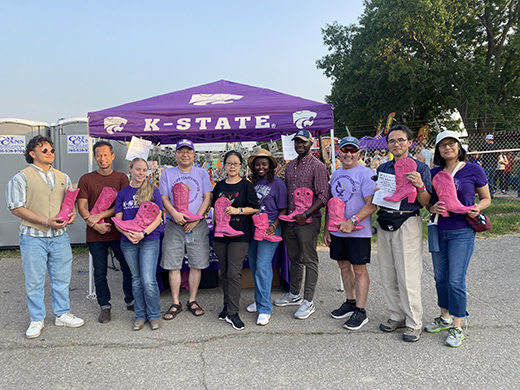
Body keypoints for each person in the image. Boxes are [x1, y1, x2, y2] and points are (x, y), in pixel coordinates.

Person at [6, 135, 84, 338]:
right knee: (34, 280)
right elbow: (16, 207)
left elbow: (69, 203)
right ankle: (36, 318)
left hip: (59, 236)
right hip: (33, 236)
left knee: (62, 277)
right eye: (45, 150)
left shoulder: (63, 177)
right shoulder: (21, 177)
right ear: (32, 154)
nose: (50, 153)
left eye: (52, 150)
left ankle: (62, 313)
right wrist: (45, 221)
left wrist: (72, 215)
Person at [425, 131, 491, 347]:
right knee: (440, 278)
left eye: (451, 143)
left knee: (455, 279)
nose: (447, 147)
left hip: (462, 230)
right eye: (442, 145)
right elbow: (428, 201)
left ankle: (458, 325)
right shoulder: (434, 172)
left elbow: (486, 198)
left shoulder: (473, 169)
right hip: (438, 228)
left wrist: (476, 208)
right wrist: (431, 206)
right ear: (438, 150)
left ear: (459, 146)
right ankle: (444, 317)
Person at [376, 124, 432, 342]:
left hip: (408, 220)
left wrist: (419, 185)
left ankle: (413, 321)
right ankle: (396, 315)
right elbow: (378, 197)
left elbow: (426, 202)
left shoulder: (421, 168)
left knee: (408, 273)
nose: (396, 144)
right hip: (385, 219)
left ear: (410, 142)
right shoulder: (383, 168)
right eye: (392, 141)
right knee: (388, 272)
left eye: (401, 140)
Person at [274, 129, 330, 319]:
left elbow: (323, 196)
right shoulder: (290, 167)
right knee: (294, 257)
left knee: (309, 259)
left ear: (311, 143)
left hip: (308, 220)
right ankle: (295, 294)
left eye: (303, 142)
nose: (300, 144)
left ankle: (308, 301)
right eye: (297, 141)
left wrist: (306, 213)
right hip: (291, 220)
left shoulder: (317, 166)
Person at [324, 137, 377, 331]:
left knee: (359, 270)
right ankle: (350, 301)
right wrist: (327, 230)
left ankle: (361, 311)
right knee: (343, 266)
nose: (348, 153)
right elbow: (332, 202)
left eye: (352, 150)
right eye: (344, 149)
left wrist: (352, 221)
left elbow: (372, 204)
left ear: (359, 154)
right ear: (339, 152)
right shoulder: (336, 174)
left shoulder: (366, 173)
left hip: (358, 231)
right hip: (338, 230)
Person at [77, 141, 134, 323]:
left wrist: (99, 215)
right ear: (95, 158)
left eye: (105, 155)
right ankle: (105, 306)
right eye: (99, 155)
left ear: (112, 156)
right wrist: (95, 224)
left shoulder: (121, 178)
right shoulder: (86, 179)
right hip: (95, 234)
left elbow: (122, 204)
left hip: (119, 231)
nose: (102, 158)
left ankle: (130, 299)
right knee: (100, 272)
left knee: (127, 268)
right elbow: (82, 206)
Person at [159, 139, 212, 320]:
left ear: (193, 154)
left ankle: (192, 300)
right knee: (173, 264)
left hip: (197, 224)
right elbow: (165, 198)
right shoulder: (167, 173)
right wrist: (174, 214)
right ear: (175, 154)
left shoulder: (202, 172)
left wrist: (196, 218)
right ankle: (175, 302)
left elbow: (207, 197)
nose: (185, 154)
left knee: (196, 264)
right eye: (181, 151)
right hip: (175, 224)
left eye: (188, 151)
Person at [114, 158, 164, 331]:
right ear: (130, 169)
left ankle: (154, 315)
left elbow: (158, 217)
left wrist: (143, 233)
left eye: (144, 170)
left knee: (148, 280)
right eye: (138, 169)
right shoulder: (122, 194)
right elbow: (117, 220)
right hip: (128, 241)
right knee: (136, 280)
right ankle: (140, 316)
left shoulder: (153, 191)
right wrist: (126, 232)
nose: (141, 173)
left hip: (149, 239)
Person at [212, 151, 260, 330]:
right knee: (224, 272)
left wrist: (237, 211)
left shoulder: (246, 186)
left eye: (235, 163)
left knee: (234, 272)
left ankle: (233, 312)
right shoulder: (218, 186)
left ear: (241, 166)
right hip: (220, 236)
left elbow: (254, 208)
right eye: (229, 163)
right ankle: (227, 304)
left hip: (240, 235)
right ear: (224, 165)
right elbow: (215, 210)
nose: (232, 166)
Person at [245, 148, 288, 326]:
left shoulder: (278, 184)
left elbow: (284, 208)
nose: (261, 166)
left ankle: (264, 308)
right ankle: (260, 299)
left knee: (263, 265)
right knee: (255, 265)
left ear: (270, 165)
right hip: (253, 227)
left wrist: (274, 226)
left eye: (264, 163)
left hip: (270, 228)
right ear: (253, 166)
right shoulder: (251, 183)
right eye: (257, 164)